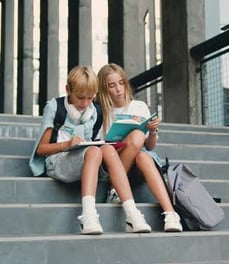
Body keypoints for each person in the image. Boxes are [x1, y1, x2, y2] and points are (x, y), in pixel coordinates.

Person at [29, 66, 152, 235]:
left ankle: (132, 213)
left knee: (106, 149)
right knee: (94, 151)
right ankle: (88, 215)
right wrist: (67, 145)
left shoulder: (94, 112)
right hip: (57, 160)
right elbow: (41, 149)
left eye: (90, 98)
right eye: (80, 98)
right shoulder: (54, 107)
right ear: (68, 90)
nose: (85, 103)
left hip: (84, 159)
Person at [96, 63, 183, 232]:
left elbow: (150, 147)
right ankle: (114, 187)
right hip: (113, 161)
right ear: (104, 89)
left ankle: (171, 214)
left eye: (121, 83)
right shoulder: (101, 111)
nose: (118, 89)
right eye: (112, 86)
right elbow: (99, 145)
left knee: (143, 154)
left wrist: (152, 132)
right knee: (135, 137)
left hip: (138, 163)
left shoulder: (139, 106)